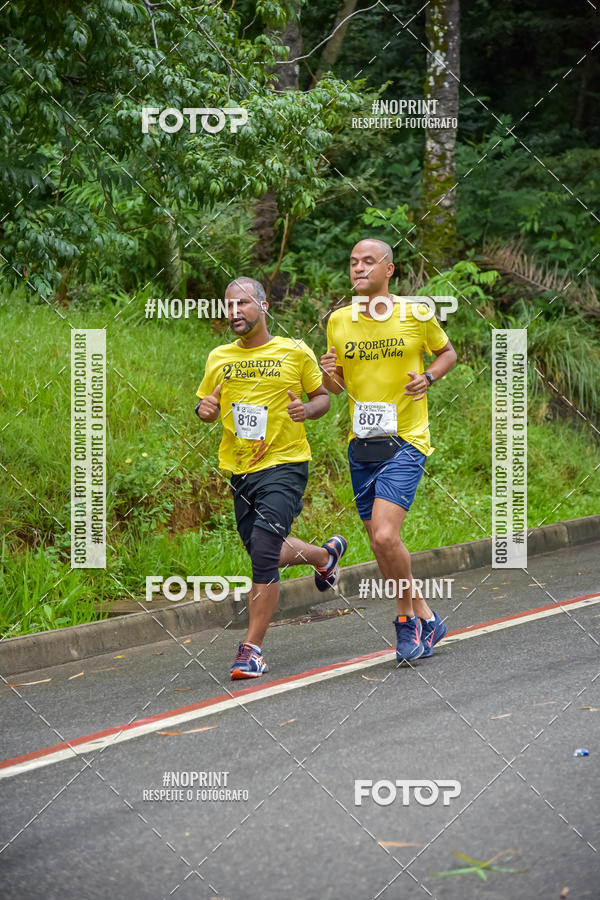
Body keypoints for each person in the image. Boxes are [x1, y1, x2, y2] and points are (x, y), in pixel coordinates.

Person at [196, 276, 347, 679]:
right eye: (228, 306)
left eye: (242, 304)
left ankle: (252, 650)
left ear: (262, 307)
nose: (234, 313)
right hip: (240, 468)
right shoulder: (219, 357)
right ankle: (324, 556)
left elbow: (323, 398)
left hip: (285, 464)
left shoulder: (294, 351)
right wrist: (205, 411)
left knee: (263, 551)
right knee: (263, 549)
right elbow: (205, 404)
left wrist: (307, 412)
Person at [321, 239, 457, 662]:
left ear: (389, 270)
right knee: (382, 546)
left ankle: (405, 623)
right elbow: (335, 387)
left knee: (384, 533)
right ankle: (429, 616)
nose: (358, 268)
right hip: (362, 444)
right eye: (352, 262)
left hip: (407, 440)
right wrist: (328, 376)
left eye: (367, 262)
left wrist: (429, 379)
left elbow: (447, 353)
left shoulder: (415, 313)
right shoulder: (339, 321)